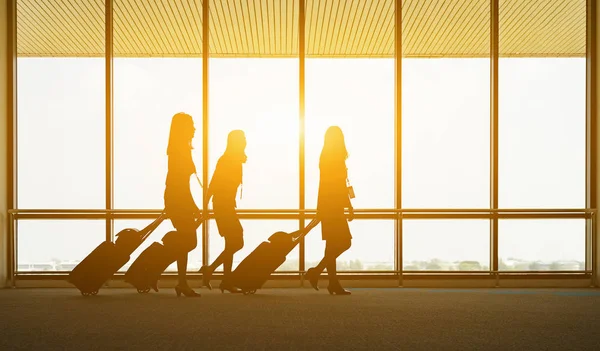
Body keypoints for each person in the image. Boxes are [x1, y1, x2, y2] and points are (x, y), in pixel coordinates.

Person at [305, 126, 354, 295]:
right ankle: (317, 272)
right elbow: (338, 186)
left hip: (328, 206)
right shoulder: (335, 160)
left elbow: (329, 185)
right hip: (333, 208)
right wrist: (349, 206)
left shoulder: (326, 158)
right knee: (344, 242)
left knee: (332, 245)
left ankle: (331, 282)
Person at [199, 130, 247, 293]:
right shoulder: (227, 160)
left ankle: (223, 278)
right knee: (237, 241)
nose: (245, 141)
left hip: (225, 205)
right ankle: (214, 271)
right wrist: (205, 207)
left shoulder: (234, 160)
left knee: (232, 242)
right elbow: (214, 184)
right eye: (243, 139)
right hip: (222, 205)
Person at [164, 112, 202, 298]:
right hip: (178, 198)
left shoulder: (179, 149)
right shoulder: (179, 151)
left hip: (178, 197)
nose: (195, 129)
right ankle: (180, 280)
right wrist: (192, 205)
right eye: (192, 125)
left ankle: (182, 282)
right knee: (189, 241)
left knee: (185, 240)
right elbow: (180, 183)